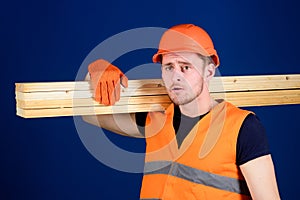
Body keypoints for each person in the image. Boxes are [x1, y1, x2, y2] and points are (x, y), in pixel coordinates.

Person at [83, 24, 281, 199]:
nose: (176, 77)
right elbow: (90, 115)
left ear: (209, 71)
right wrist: (93, 74)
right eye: (169, 67)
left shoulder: (242, 128)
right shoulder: (156, 121)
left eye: (186, 67)